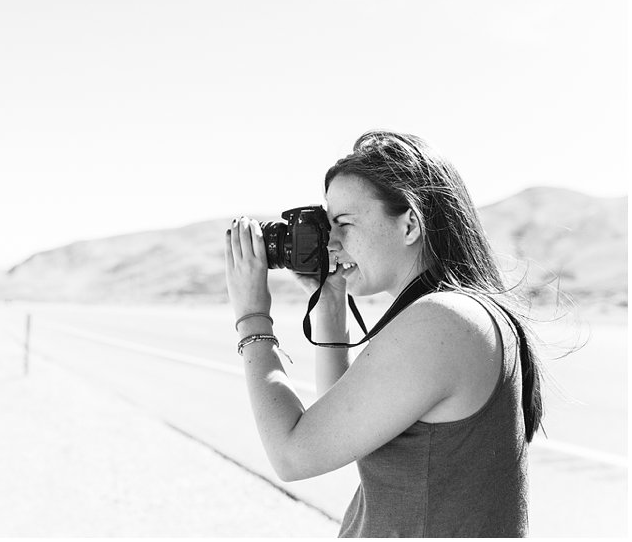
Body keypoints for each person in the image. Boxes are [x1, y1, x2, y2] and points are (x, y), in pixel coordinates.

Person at [224, 130, 543, 537]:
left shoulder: (442, 322)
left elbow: (292, 455)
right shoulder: (465, 314)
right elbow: (342, 427)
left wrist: (252, 316)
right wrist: (331, 301)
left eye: (344, 224)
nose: (331, 243)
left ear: (410, 223)